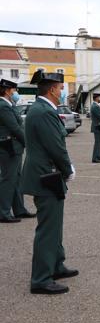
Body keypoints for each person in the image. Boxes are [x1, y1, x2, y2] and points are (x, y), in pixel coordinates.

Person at [21, 70, 78, 295]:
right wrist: (68, 168)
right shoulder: (44, 111)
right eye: (60, 87)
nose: (62, 91)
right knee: (47, 228)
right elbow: (56, 145)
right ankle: (41, 278)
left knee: (54, 225)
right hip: (47, 175)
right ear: (52, 89)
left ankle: (56, 265)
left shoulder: (41, 109)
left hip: (47, 174)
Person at [0, 79, 35, 223]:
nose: (15, 93)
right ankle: (3, 212)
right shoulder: (3, 106)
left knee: (16, 179)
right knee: (8, 180)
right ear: (7, 91)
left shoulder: (9, 104)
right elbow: (14, 127)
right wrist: (29, 144)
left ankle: (19, 209)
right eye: (14, 90)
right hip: (9, 147)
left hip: (14, 146)